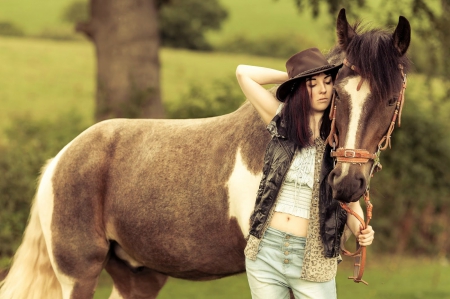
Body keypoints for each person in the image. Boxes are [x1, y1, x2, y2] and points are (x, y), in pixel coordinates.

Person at [236, 48, 375, 299]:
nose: (323, 89)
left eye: (328, 81)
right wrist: (293, 78)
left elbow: (348, 195)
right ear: (300, 90)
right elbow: (243, 73)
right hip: (266, 251)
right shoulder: (282, 123)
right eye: (313, 84)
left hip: (314, 255)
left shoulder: (340, 141)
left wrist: (360, 229)